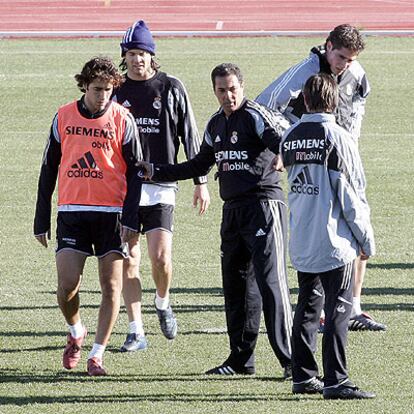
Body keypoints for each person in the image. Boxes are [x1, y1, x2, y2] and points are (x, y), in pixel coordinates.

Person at [139, 63, 293, 378]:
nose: (228, 95)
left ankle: (292, 362)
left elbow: (280, 141)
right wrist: (158, 170)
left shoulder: (254, 116)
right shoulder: (214, 125)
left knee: (271, 285)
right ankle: (240, 361)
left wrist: (281, 155)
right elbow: (199, 164)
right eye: (221, 90)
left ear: (242, 87)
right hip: (232, 212)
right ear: (214, 91)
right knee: (237, 288)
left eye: (233, 88)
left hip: (263, 206)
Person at [256, 23, 385, 332]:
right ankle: (323, 307)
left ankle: (352, 306)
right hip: (310, 156)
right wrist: (290, 140)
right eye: (340, 57)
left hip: (341, 154)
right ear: (328, 46)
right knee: (321, 225)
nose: (344, 65)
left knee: (357, 221)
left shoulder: (357, 76)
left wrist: (349, 152)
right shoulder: (306, 71)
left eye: (350, 60)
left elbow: (355, 119)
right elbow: (265, 103)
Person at [33, 57, 143, 376]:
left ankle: (96, 355)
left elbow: (137, 172)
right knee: (67, 286)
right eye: (97, 89)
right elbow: (47, 169)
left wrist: (131, 218)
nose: (103, 96)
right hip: (72, 212)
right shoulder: (64, 116)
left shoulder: (123, 119)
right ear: (85, 86)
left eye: (108, 90)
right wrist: (41, 219)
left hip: (112, 216)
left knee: (111, 288)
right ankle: (76, 330)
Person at [113, 20, 210, 351]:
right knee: (129, 257)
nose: (137, 59)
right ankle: (135, 329)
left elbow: (190, 135)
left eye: (143, 53)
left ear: (152, 56)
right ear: (124, 57)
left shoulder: (171, 87)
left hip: (162, 184)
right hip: (125, 189)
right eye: (131, 54)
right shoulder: (116, 91)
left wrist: (201, 182)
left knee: (161, 258)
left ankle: (163, 301)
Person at [281, 73, 376, 399]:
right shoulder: (339, 137)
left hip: (303, 237)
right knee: (339, 310)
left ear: (305, 100)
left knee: (307, 309)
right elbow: (351, 194)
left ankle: (303, 376)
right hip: (335, 241)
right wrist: (366, 238)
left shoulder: (289, 137)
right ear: (334, 100)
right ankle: (336, 380)